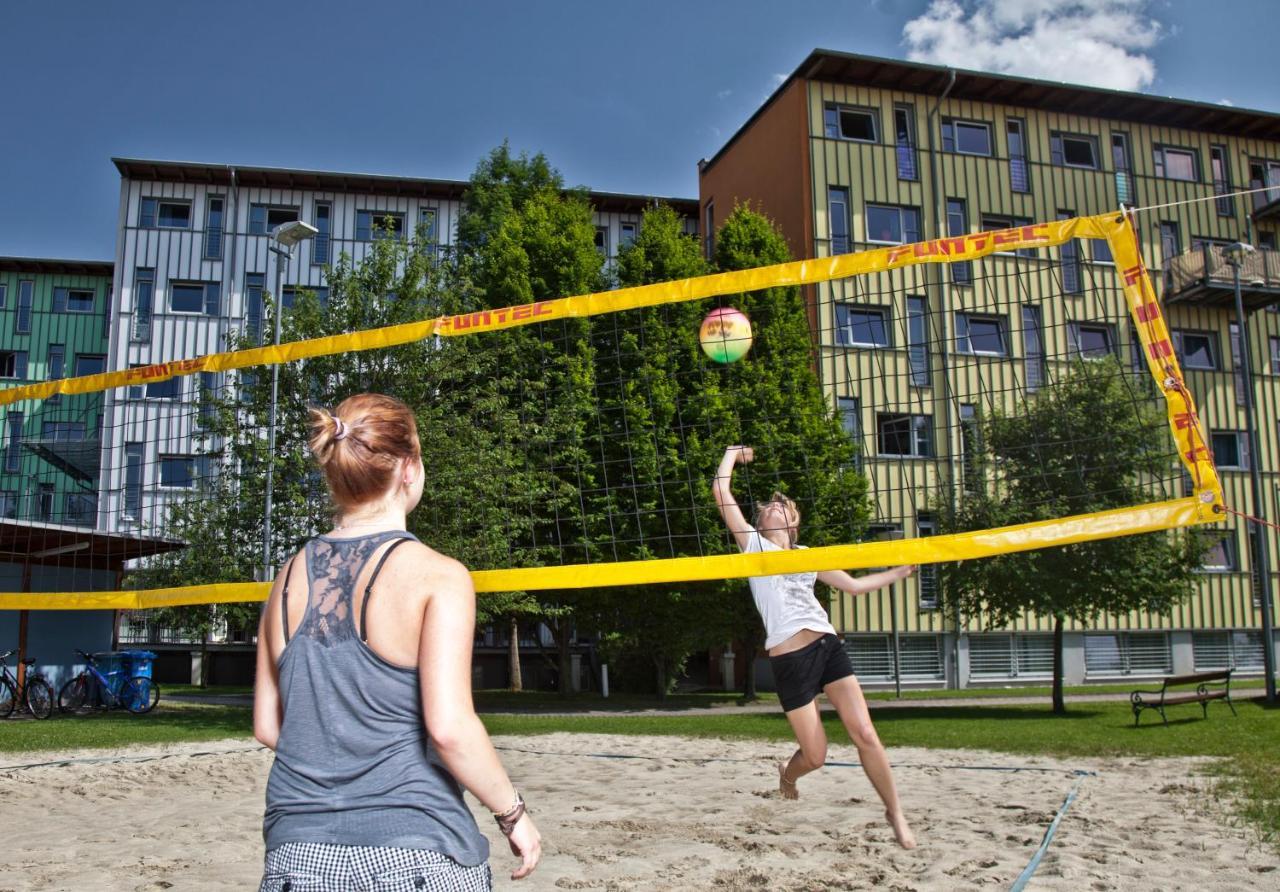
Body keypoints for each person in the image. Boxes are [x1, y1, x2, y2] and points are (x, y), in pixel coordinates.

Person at [254, 393, 541, 890]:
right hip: (414, 854)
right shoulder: (439, 576)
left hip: (295, 854)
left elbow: (267, 725)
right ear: (408, 469)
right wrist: (513, 814)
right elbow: (450, 731)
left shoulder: (286, 576)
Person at [712, 445, 917, 850]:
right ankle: (788, 775)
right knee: (817, 755)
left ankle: (895, 811)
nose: (773, 507)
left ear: (794, 522)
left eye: (781, 506)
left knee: (865, 732)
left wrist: (898, 572)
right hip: (790, 659)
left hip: (827, 646)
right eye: (768, 506)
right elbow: (721, 493)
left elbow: (854, 586)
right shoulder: (754, 546)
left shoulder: (808, 555)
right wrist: (732, 455)